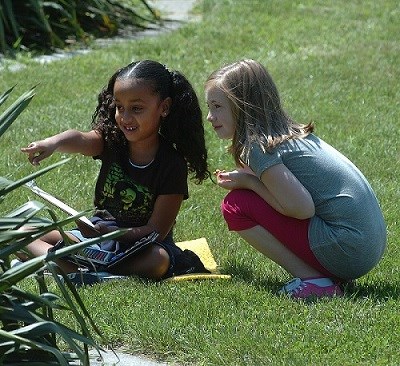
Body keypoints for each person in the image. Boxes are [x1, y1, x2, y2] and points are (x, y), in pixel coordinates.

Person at [205, 59, 386, 299]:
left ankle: (316, 282)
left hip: (349, 250)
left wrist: (249, 183)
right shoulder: (288, 135)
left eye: (217, 106)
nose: (209, 116)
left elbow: (301, 208)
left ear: (243, 107)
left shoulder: (258, 146)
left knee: (235, 205)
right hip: (366, 247)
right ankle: (326, 273)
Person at [21, 59, 210, 280]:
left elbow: (157, 231)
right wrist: (52, 143)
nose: (125, 117)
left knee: (158, 260)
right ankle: (82, 269)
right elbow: (81, 139)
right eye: (119, 107)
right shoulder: (111, 141)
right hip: (94, 241)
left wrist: (114, 233)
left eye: (136, 108)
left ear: (164, 107)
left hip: (139, 246)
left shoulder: (172, 164)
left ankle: (75, 268)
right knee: (21, 233)